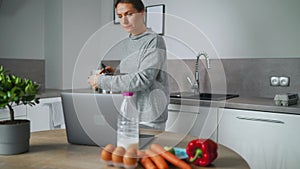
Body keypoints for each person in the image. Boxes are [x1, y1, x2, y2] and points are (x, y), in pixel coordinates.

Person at [87, 0, 169, 130]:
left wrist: (101, 81)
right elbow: (133, 75)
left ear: (142, 13)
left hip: (149, 118)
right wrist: (116, 72)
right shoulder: (127, 43)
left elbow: (143, 80)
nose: (124, 21)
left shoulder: (154, 40)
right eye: (120, 16)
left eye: (129, 14)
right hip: (129, 113)